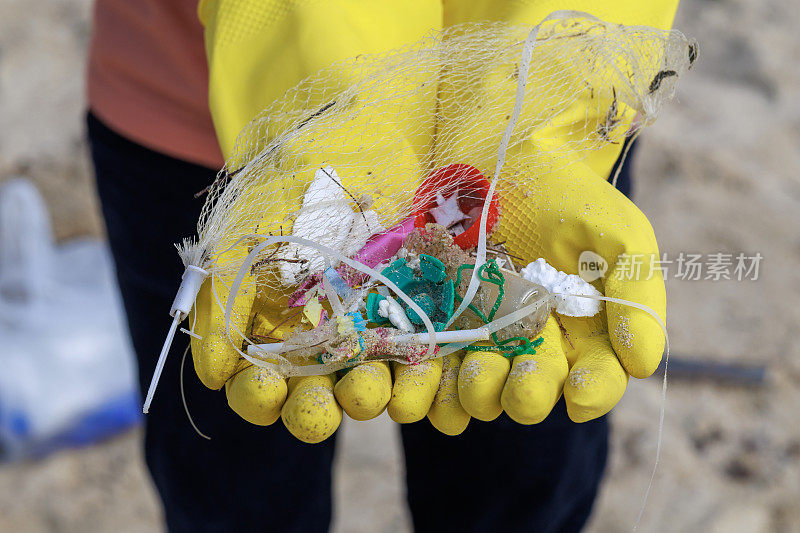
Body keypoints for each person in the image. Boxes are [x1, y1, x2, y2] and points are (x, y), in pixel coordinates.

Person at [87, 1, 677, 531]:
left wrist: (539, 119)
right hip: (194, 119)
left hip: (533, 174)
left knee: (516, 481)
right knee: (230, 485)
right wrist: (330, 111)